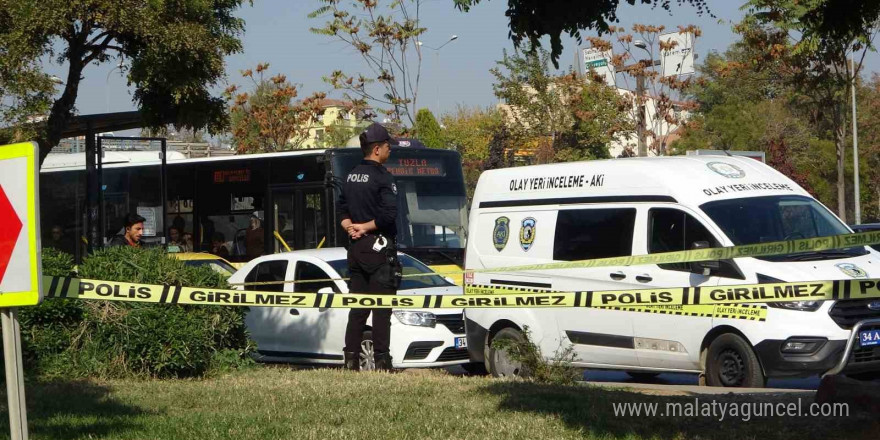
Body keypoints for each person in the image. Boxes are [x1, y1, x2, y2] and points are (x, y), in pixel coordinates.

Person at [337, 122, 401, 372]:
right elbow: (388, 216)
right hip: (378, 250)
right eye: (388, 146)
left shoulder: (351, 174)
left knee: (358, 309)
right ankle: (383, 362)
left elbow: (341, 209)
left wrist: (350, 227)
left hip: (355, 250)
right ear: (376, 149)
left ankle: (351, 360)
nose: (390, 150)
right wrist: (365, 227)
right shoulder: (382, 176)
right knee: (382, 309)